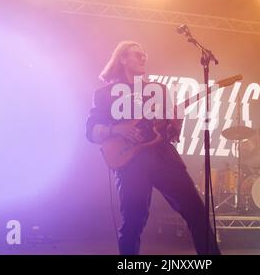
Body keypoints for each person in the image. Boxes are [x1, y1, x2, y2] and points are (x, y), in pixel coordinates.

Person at [85, 41, 221, 255]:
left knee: (197, 212)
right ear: (122, 59)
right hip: (131, 162)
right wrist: (117, 130)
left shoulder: (158, 89)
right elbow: (91, 132)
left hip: (163, 157)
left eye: (144, 55)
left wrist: (175, 125)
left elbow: (169, 133)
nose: (143, 58)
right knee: (133, 223)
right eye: (137, 55)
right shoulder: (105, 94)